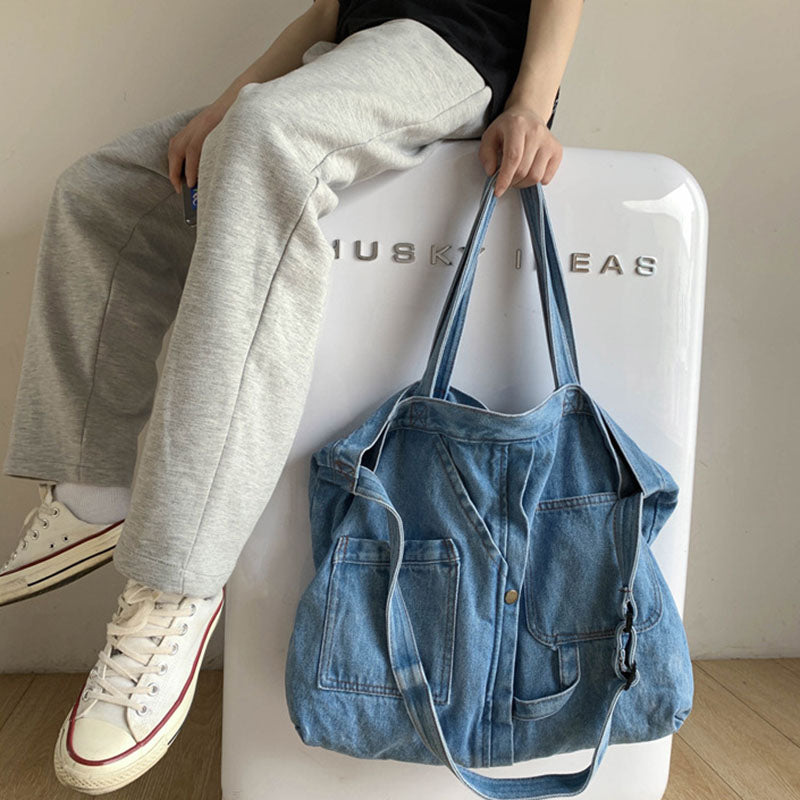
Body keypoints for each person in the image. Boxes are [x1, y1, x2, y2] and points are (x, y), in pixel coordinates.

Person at [0, 0, 584, 793]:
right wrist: (226, 104)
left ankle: (174, 586)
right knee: (105, 192)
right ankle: (96, 488)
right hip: (352, 56)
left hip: (451, 50)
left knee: (266, 138)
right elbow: (328, 9)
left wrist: (532, 104)